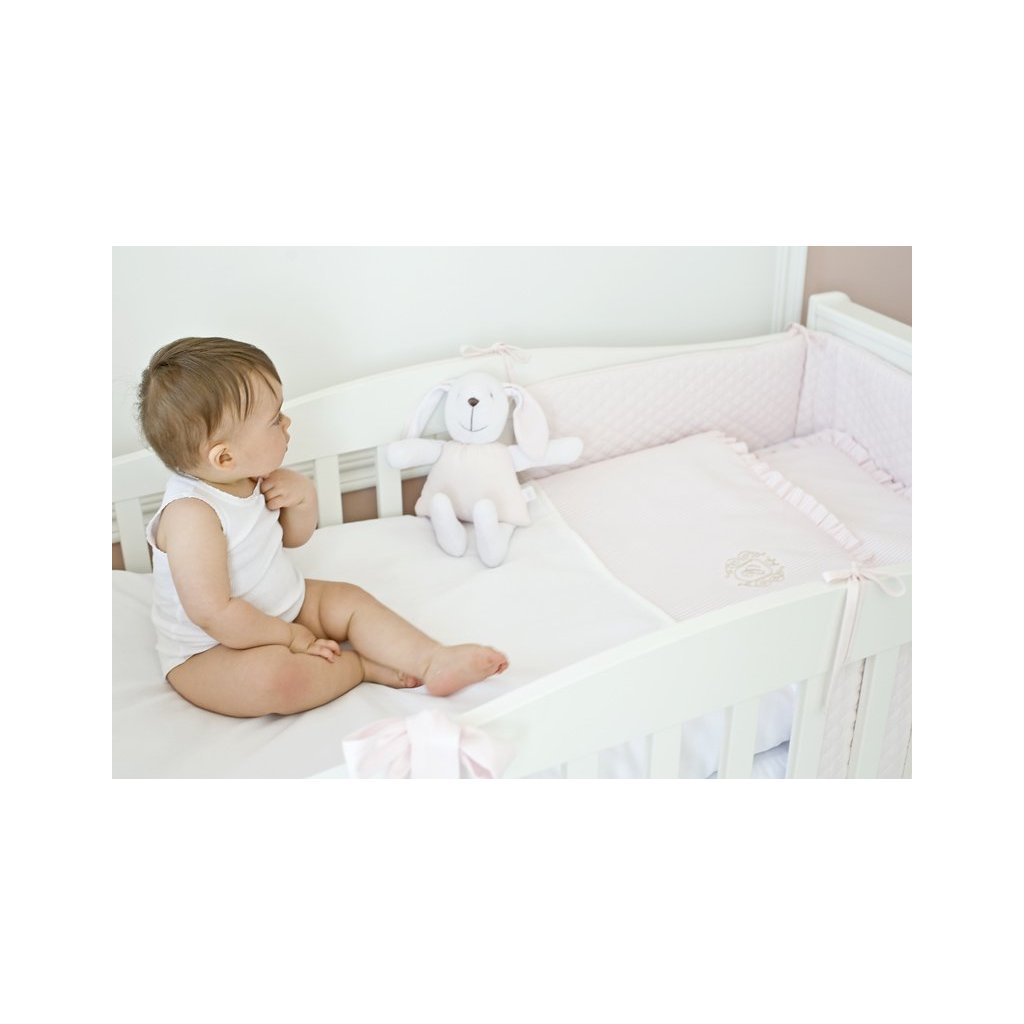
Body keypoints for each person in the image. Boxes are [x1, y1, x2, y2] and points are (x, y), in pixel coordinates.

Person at [136, 336, 508, 717]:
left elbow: (292, 538)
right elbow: (215, 614)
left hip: (286, 603)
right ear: (225, 457)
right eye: (275, 419)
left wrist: (303, 499)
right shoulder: (191, 517)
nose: (287, 423)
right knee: (274, 681)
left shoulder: (251, 477)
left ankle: (432, 659)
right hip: (211, 650)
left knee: (350, 601)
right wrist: (288, 636)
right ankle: (359, 667)